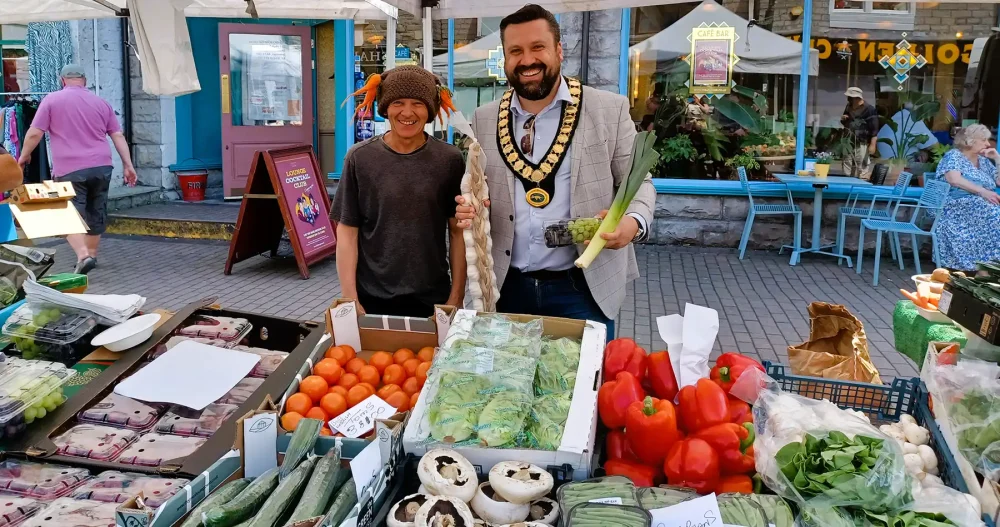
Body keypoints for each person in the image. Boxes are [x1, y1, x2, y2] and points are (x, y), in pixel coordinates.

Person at [455, 4, 655, 338]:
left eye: (538, 47)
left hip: (583, 288)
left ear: (559, 50)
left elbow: (639, 182)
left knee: (584, 373)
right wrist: (471, 207)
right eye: (515, 51)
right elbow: (481, 190)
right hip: (506, 287)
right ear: (505, 58)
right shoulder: (484, 117)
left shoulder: (609, 109)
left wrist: (632, 223)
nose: (527, 60)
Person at [331, 65, 467, 318]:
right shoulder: (359, 158)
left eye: (418, 103)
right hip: (370, 298)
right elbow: (347, 231)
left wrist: (456, 297)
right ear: (385, 107)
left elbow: (458, 232)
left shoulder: (449, 159)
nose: (407, 112)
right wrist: (350, 298)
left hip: (433, 297)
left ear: (430, 110)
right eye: (398, 103)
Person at [17, 64, 136, 274]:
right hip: (102, 166)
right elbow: (117, 135)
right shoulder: (101, 103)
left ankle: (83, 256)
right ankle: (92, 255)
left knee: (65, 214)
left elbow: (35, 133)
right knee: (96, 211)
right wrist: (128, 165)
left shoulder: (51, 100)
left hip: (70, 168)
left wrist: (24, 155)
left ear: (62, 80)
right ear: (85, 81)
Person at [933, 124, 1000, 270]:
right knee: (995, 216)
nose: (988, 144)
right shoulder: (954, 156)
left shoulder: (983, 161)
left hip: (978, 205)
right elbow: (954, 179)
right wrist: (982, 192)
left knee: (992, 212)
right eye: (984, 140)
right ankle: (987, 266)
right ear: (970, 141)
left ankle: (988, 265)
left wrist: (997, 159)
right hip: (955, 206)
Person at [840, 87, 879, 179]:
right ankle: (848, 180)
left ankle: (861, 181)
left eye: (850, 97)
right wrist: (844, 118)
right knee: (847, 161)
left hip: (861, 140)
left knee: (861, 163)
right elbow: (845, 122)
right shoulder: (848, 106)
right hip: (848, 139)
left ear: (856, 98)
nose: (848, 99)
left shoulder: (869, 109)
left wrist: (873, 144)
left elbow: (874, 128)